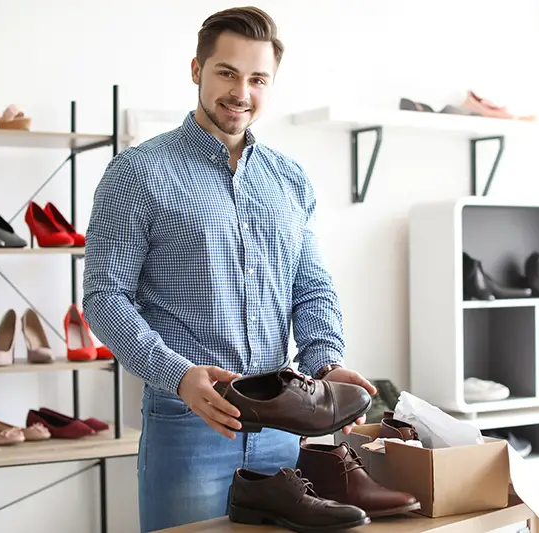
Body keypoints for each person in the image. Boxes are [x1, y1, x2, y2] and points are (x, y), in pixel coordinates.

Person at [82, 5, 377, 533]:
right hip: (190, 422)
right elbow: (104, 297)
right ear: (196, 69)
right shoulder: (137, 172)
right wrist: (176, 376)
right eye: (226, 72)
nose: (241, 92)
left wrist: (325, 362)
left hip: (285, 425)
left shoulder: (289, 179)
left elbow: (310, 288)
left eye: (257, 78)